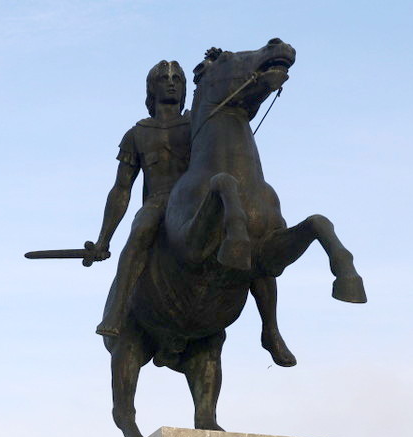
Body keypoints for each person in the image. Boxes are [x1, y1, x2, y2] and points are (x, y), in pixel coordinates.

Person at [88, 59, 294, 367]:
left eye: (177, 78)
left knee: (254, 244)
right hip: (160, 203)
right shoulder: (137, 134)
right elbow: (121, 190)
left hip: (197, 200)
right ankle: (117, 311)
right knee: (141, 230)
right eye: (163, 78)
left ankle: (271, 329)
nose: (171, 82)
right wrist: (103, 240)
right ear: (151, 88)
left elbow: (232, 118)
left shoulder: (198, 121)